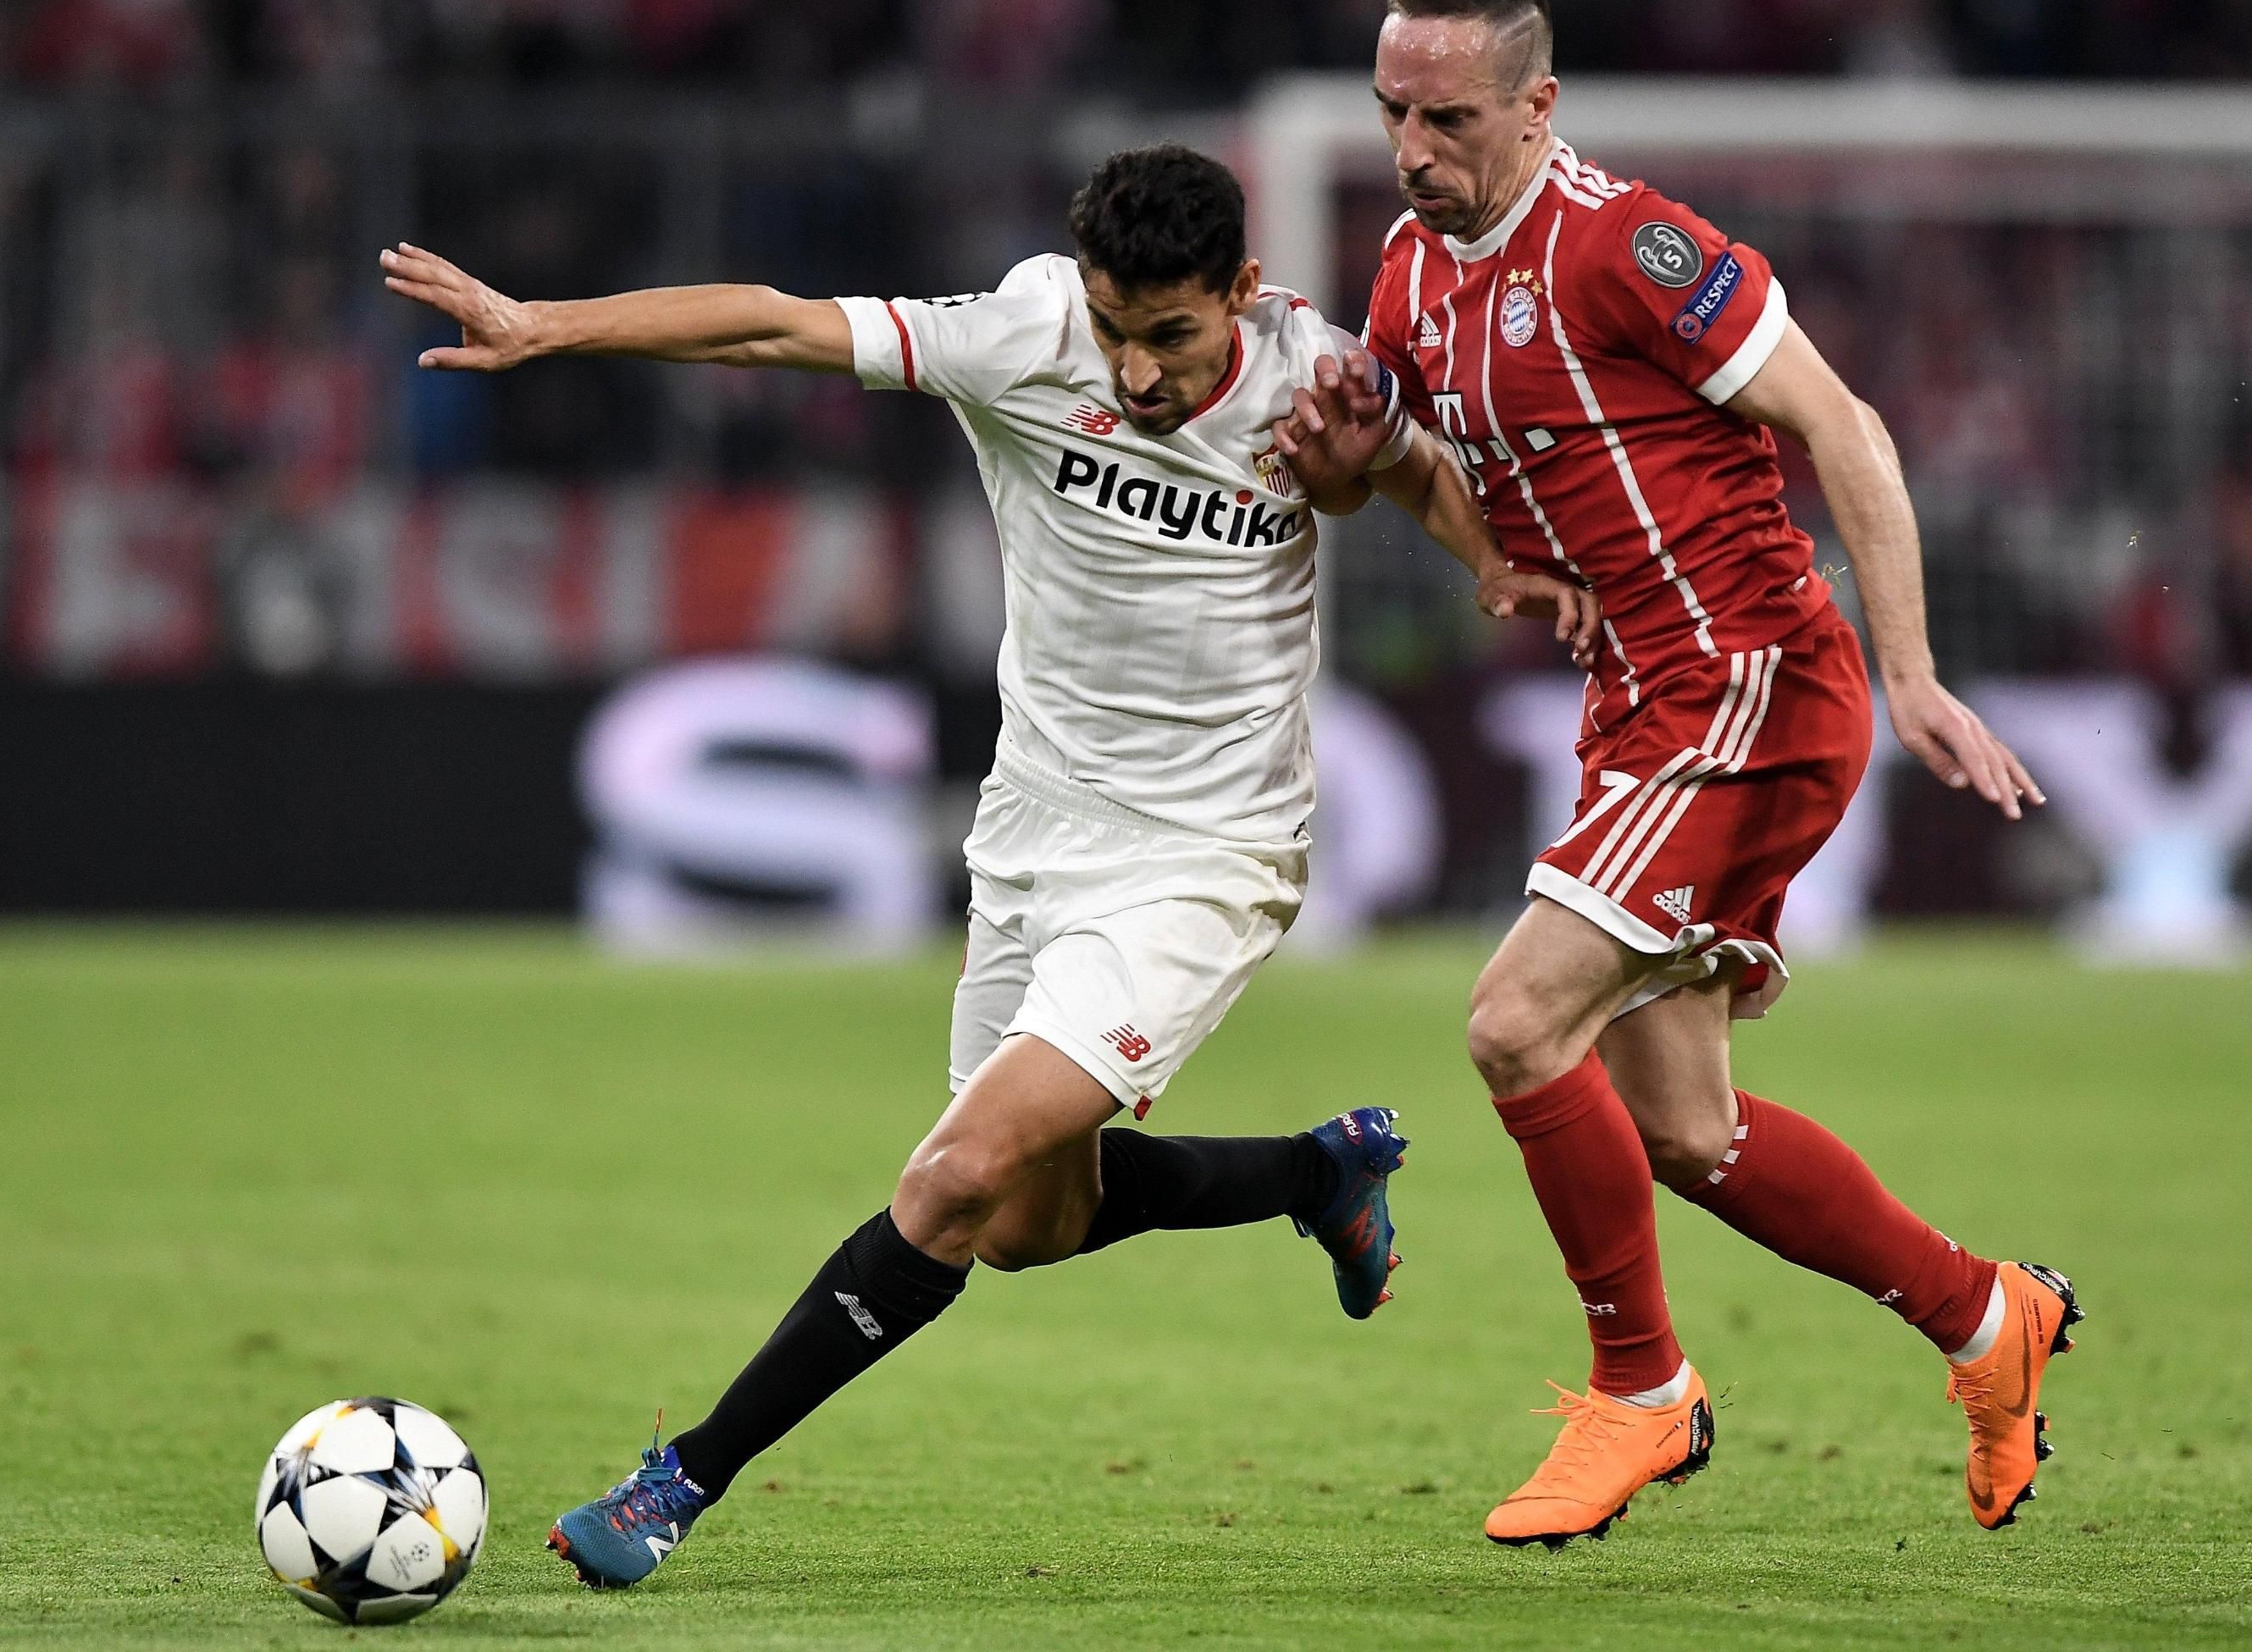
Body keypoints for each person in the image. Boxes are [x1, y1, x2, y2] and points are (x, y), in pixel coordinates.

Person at [380, 142, 1597, 1587]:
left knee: (953, 1179)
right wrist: (543, 324)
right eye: (1115, 328)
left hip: (1205, 856)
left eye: (1171, 335)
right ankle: (1316, 1170)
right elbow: (774, 324)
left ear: (1244, 290)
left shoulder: (1310, 370)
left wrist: (1487, 561)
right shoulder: (1024, 334)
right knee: (1025, 1225)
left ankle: (677, 1482)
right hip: (1031, 835)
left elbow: (1414, 469)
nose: (1136, 372)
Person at [1275, 0, 2081, 1548]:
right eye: (1391, 115)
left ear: (1536, 106)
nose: (1413, 149)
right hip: (1637, 706)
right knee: (1685, 1133)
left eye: (1447, 119)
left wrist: (1915, 675)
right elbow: (1420, 474)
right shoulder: (1411, 273)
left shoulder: (1630, 246)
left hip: (1749, 685)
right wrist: (1362, 472)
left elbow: (1845, 425)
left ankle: (1642, 1392)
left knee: (1516, 1025)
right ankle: (1989, 1317)